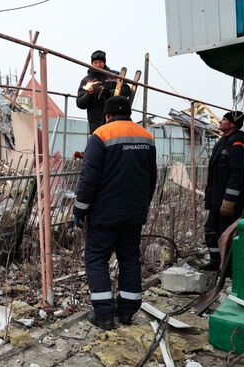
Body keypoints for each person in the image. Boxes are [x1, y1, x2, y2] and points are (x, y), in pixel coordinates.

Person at [73, 96, 157, 330]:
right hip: (134, 214)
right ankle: (127, 313)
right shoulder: (146, 137)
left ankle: (104, 316)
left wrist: (79, 209)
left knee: (96, 260)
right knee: (129, 260)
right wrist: (142, 205)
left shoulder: (100, 135)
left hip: (104, 215)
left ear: (107, 115)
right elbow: (152, 178)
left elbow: (88, 179)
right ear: (128, 113)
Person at [202, 111, 244, 271]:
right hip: (216, 198)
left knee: (225, 232)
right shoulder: (224, 141)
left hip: (227, 201)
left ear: (233, 124)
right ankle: (216, 261)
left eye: (224, 119)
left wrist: (229, 201)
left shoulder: (237, 144)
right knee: (211, 229)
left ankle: (228, 266)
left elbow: (237, 174)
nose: (220, 121)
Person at [76, 50, 131, 135]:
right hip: (96, 122)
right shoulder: (86, 80)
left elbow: (127, 90)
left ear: (104, 62)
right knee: (99, 144)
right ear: (92, 63)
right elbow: (80, 103)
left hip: (115, 117)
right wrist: (89, 94)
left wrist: (109, 93)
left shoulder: (114, 75)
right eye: (95, 62)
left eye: (100, 62)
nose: (98, 65)